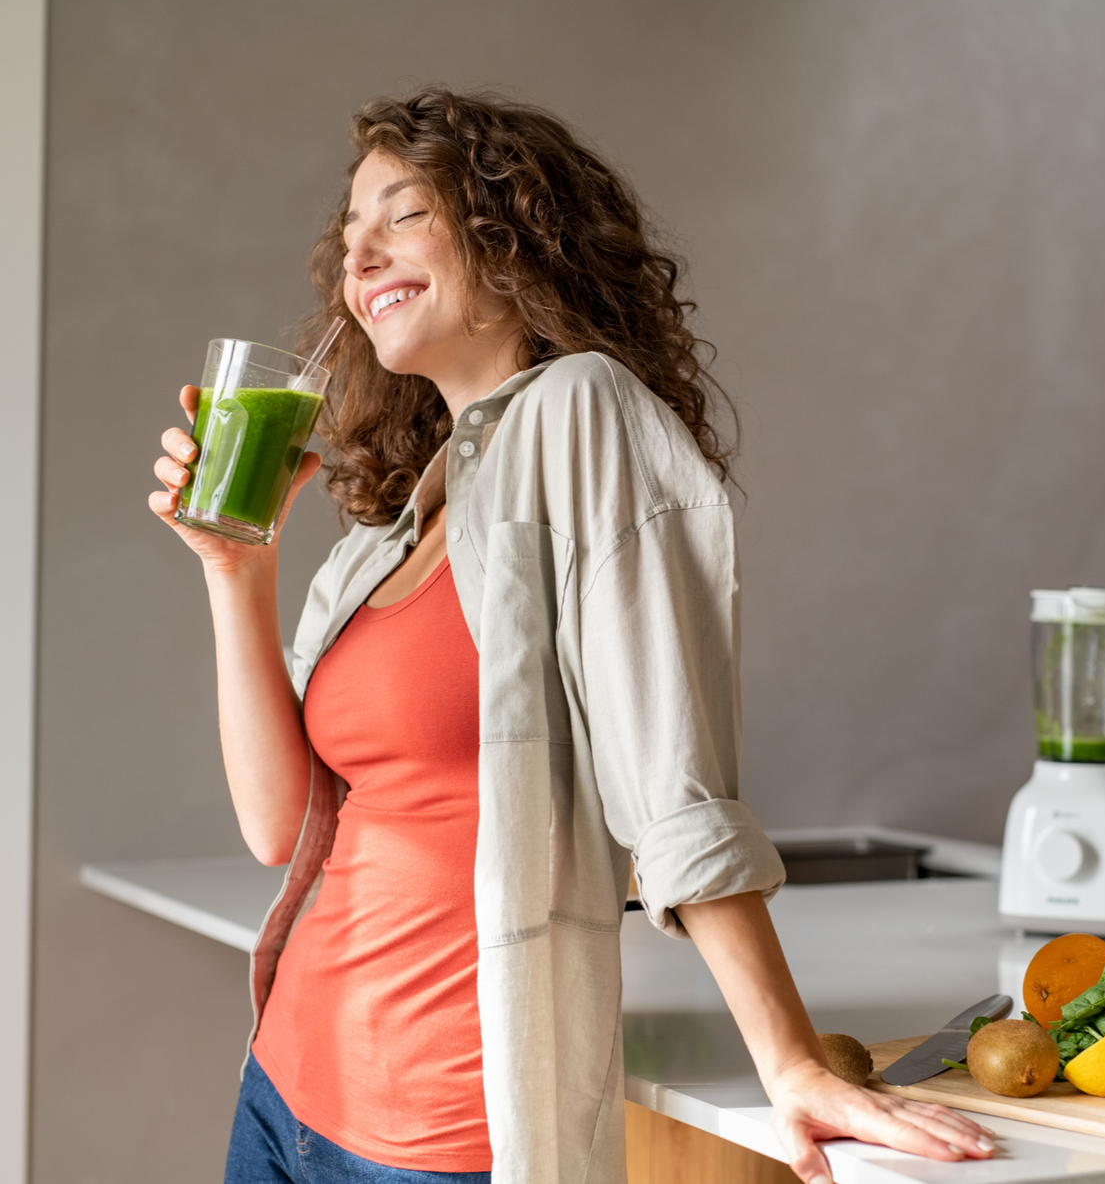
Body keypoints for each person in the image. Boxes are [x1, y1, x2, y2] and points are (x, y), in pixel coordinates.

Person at [150, 89, 994, 1184]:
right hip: (281, 1092)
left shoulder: (582, 414)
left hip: (437, 1138)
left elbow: (671, 776)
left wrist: (790, 1059)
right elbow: (279, 826)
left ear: (512, 235)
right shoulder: (395, 523)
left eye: (400, 214)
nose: (358, 253)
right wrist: (237, 569)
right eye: (348, 232)